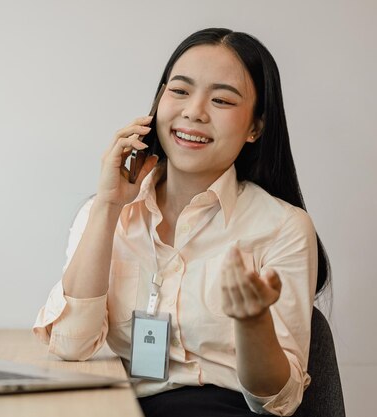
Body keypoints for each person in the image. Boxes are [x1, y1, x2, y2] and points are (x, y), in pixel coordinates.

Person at [33, 28, 330, 417]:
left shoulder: (284, 226)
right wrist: (107, 207)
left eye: (222, 99)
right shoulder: (105, 212)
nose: (195, 111)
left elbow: (278, 400)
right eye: (179, 91)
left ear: (255, 127)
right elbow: (72, 345)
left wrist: (252, 320)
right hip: (120, 406)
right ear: (158, 101)